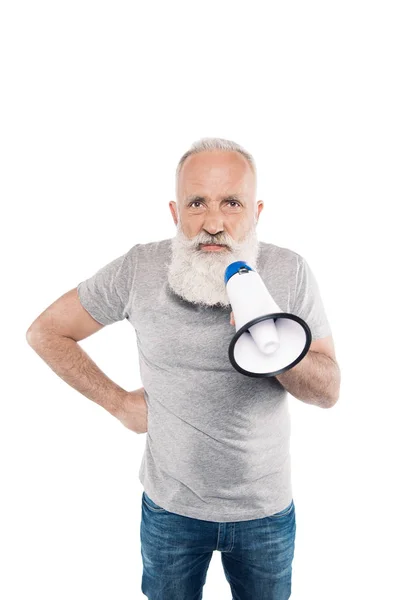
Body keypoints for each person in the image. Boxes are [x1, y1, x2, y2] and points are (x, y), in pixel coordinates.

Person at [26, 137, 341, 600]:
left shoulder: (289, 271)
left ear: (256, 211)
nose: (213, 223)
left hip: (265, 511)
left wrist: (273, 345)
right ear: (176, 213)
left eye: (232, 202)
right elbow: (45, 333)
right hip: (171, 509)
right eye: (197, 203)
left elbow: (329, 391)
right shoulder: (140, 268)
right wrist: (118, 403)